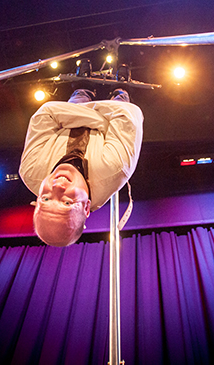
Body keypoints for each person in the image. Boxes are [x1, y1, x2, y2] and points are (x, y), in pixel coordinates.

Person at [19, 83, 144, 247]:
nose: (57, 187)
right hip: (113, 104)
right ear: (86, 208)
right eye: (67, 203)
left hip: (83, 103)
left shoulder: (30, 170)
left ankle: (85, 90)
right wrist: (68, 117)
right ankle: (119, 88)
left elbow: (46, 112)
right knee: (121, 100)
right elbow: (127, 112)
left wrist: (105, 124)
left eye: (46, 198)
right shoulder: (114, 168)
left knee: (79, 96)